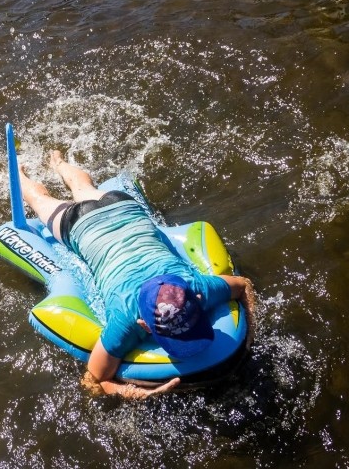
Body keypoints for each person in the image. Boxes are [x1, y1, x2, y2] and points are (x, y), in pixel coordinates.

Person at [18, 151, 256, 400]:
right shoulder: (127, 319)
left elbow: (243, 285)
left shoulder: (195, 289)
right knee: (44, 199)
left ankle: (54, 163)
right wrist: (139, 394)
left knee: (66, 192)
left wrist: (249, 330)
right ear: (144, 326)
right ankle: (44, 166)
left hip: (122, 207)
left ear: (195, 299)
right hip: (85, 223)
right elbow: (92, 380)